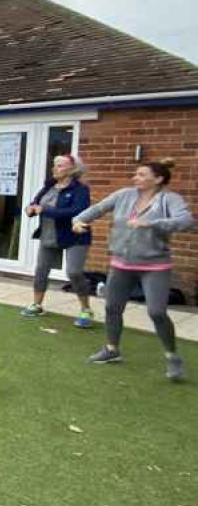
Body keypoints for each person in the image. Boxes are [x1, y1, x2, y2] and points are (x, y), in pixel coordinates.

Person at [72, 159, 194, 380]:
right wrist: (78, 219)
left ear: (157, 179)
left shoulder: (169, 199)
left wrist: (154, 223)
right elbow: (98, 208)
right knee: (112, 308)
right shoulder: (124, 195)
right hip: (121, 264)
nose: (135, 178)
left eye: (141, 174)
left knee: (156, 312)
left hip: (155, 266)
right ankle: (111, 349)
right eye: (135, 174)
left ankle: (172, 356)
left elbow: (186, 221)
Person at [22, 155, 94, 327]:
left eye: (60, 165)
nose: (55, 168)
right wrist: (30, 209)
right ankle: (37, 305)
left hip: (74, 236)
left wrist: (45, 210)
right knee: (41, 270)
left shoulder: (80, 189)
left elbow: (78, 210)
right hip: (48, 235)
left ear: (73, 169)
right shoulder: (48, 186)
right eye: (54, 165)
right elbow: (35, 203)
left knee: (74, 272)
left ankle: (86, 309)